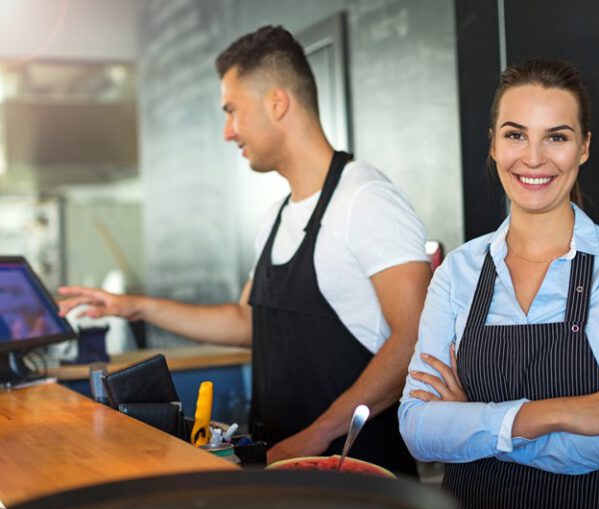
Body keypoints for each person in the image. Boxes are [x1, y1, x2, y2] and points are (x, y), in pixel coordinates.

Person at [58, 25, 431, 475]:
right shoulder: (277, 215)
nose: (227, 131)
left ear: (277, 103)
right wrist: (134, 307)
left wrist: (317, 434)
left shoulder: (365, 199)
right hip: (281, 467)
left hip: (354, 474)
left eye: (232, 110)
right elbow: (246, 321)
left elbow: (415, 338)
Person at [398, 58, 599, 509]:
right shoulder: (458, 272)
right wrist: (560, 413)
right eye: (516, 135)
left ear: (583, 147)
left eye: (556, 137)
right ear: (493, 144)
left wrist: (474, 427)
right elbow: (418, 431)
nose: (534, 158)